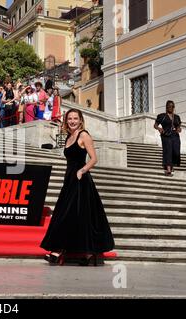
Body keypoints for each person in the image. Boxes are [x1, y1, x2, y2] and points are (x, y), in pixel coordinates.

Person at [40, 108, 115, 265]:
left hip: (81, 180)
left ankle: (63, 251)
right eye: (69, 118)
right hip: (69, 180)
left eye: (75, 118)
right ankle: (82, 253)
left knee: (73, 215)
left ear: (81, 120)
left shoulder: (84, 135)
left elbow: (94, 158)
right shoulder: (69, 136)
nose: (72, 121)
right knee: (69, 215)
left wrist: (82, 170)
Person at [154, 100, 182, 176]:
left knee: (176, 151)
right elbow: (155, 125)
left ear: (174, 107)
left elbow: (178, 126)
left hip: (175, 136)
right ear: (166, 107)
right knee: (168, 151)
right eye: (169, 106)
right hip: (166, 135)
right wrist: (159, 129)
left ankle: (171, 164)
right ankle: (168, 169)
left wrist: (179, 129)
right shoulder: (162, 116)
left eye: (172, 106)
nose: (171, 107)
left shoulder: (176, 117)